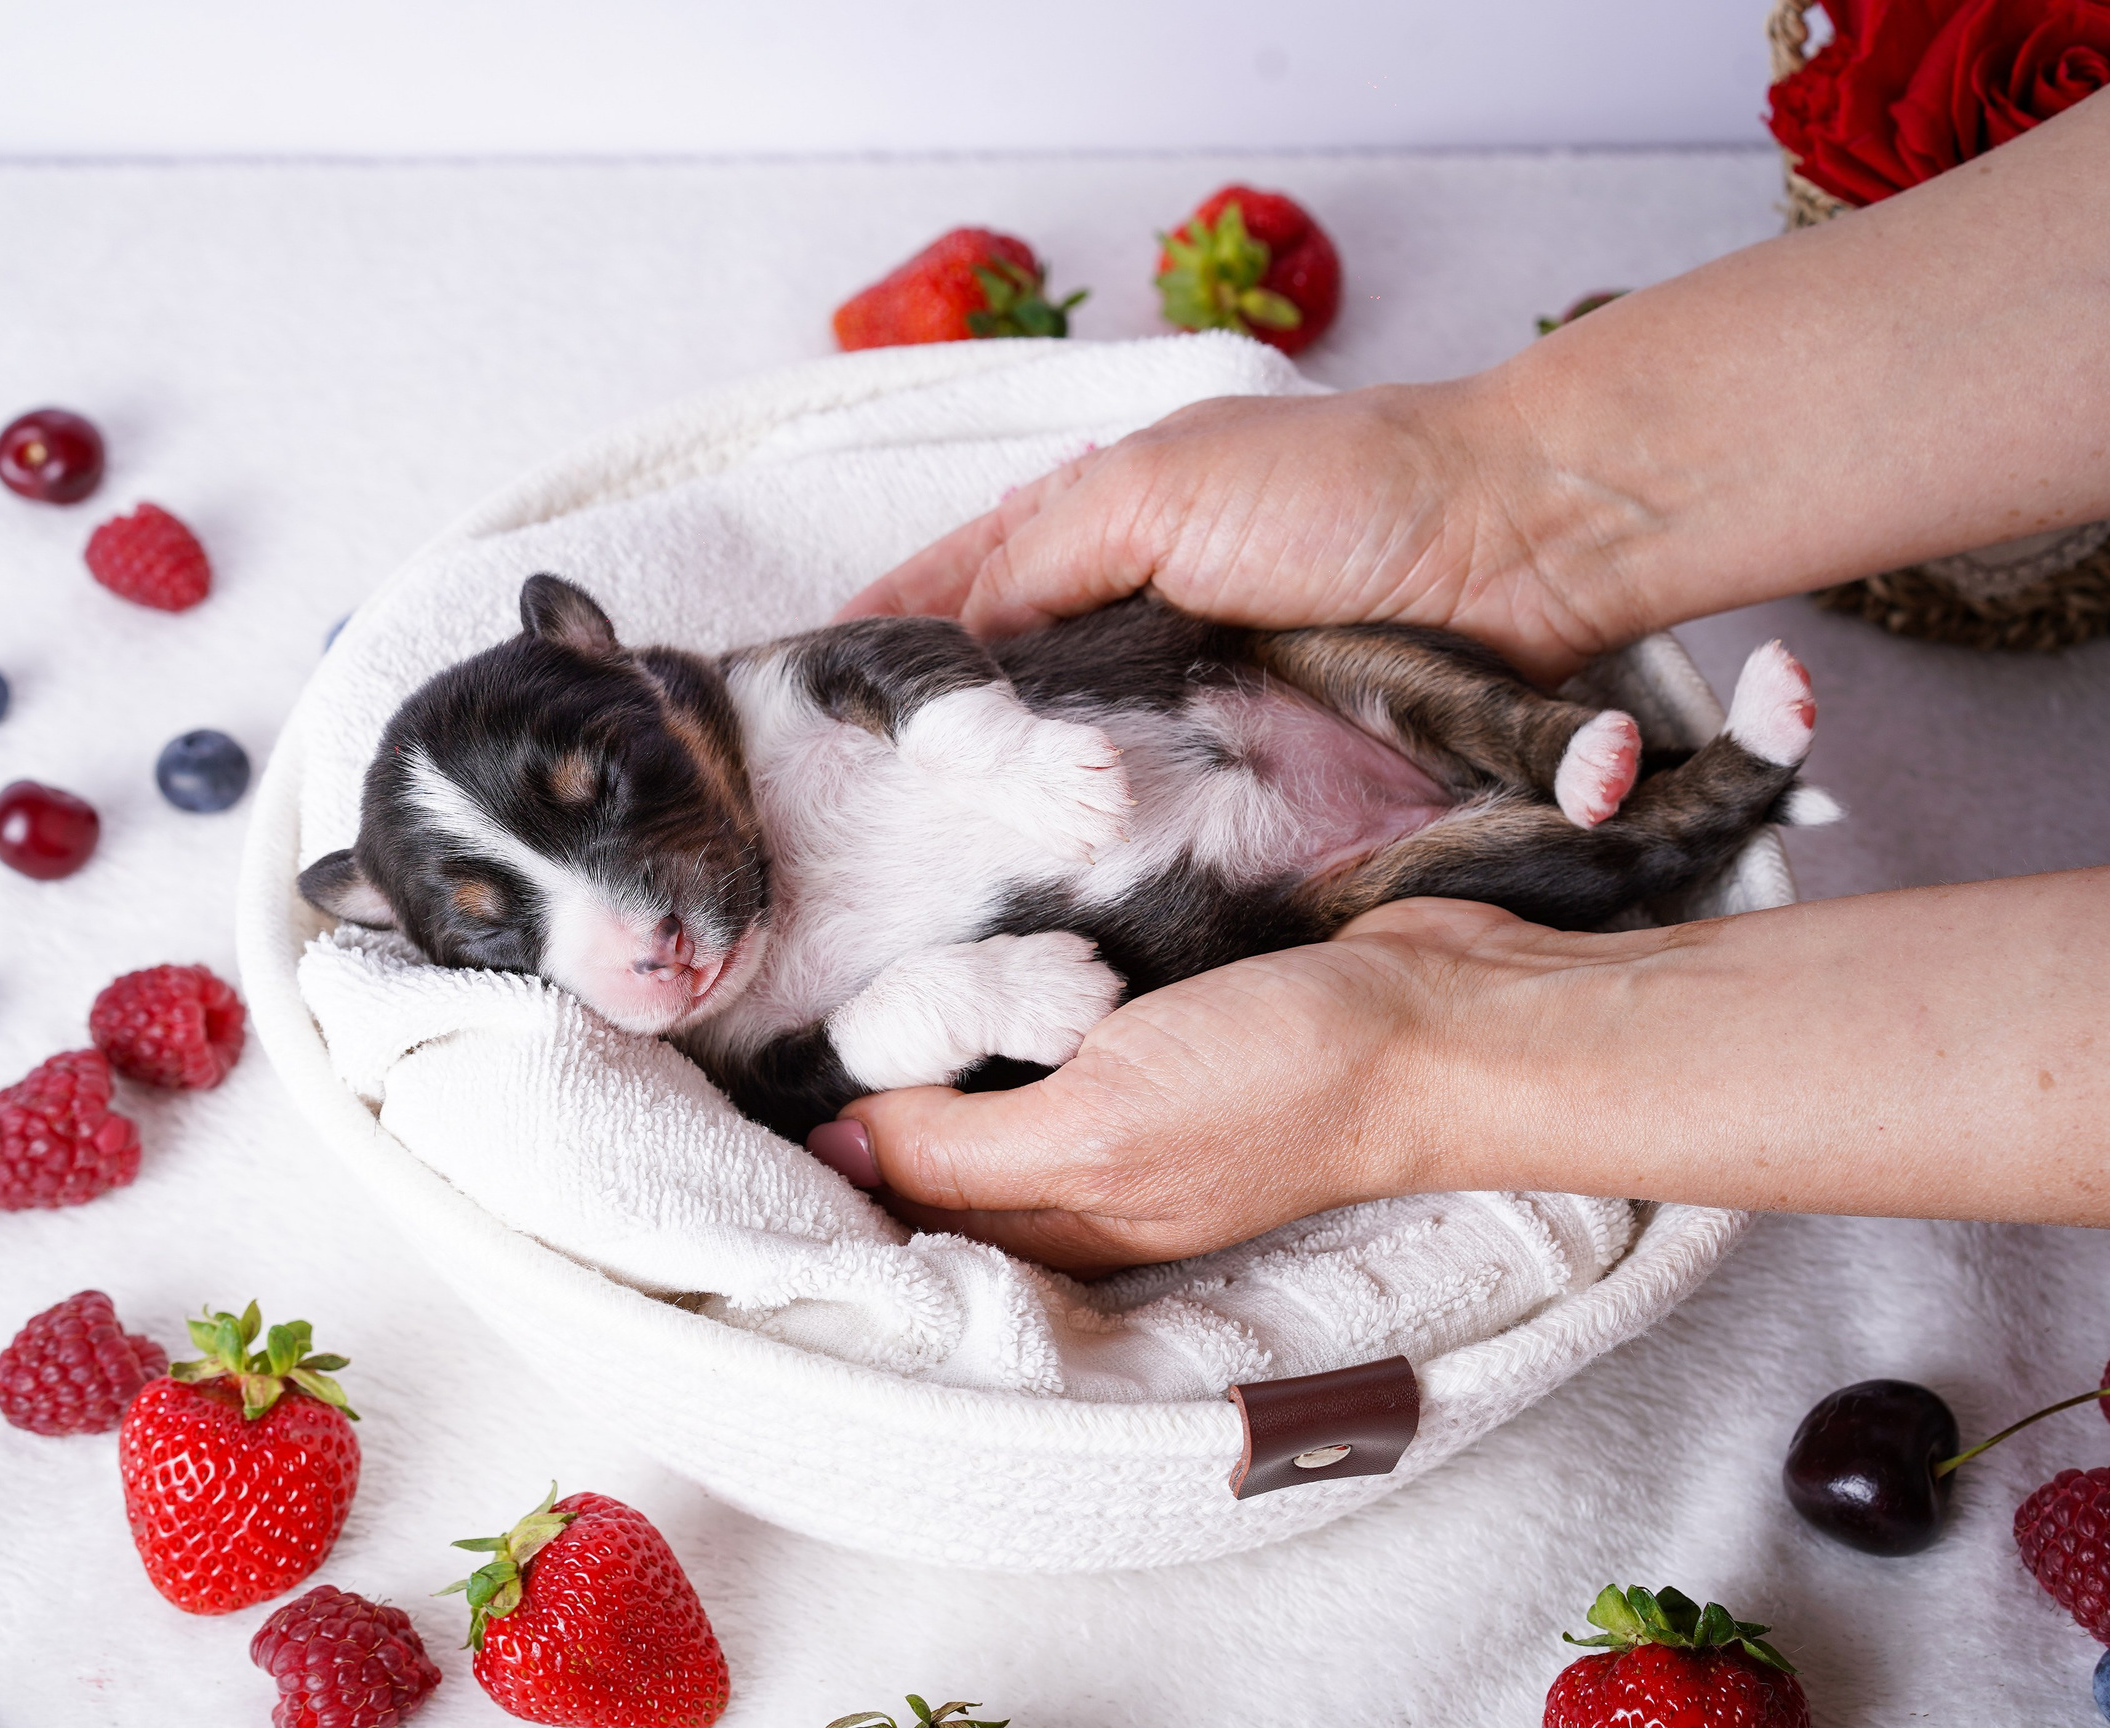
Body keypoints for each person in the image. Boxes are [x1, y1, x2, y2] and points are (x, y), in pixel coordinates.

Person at [812, 91, 2110, 1276]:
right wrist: (1496, 498)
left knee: (1376, 677)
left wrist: (1494, 503)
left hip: (1252, 694)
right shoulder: (811, 1028)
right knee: (1460, 871)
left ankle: (1568, 747)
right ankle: (1724, 786)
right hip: (1297, 876)